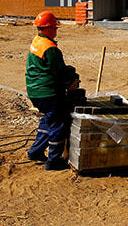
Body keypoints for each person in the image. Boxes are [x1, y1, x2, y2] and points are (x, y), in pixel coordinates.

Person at [25, 10, 79, 170]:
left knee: (49, 120)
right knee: (59, 123)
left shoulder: (37, 41)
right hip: (48, 92)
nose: (56, 30)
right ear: (48, 28)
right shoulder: (50, 48)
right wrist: (71, 79)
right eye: (55, 27)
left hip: (35, 91)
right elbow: (59, 72)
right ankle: (54, 161)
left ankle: (35, 152)